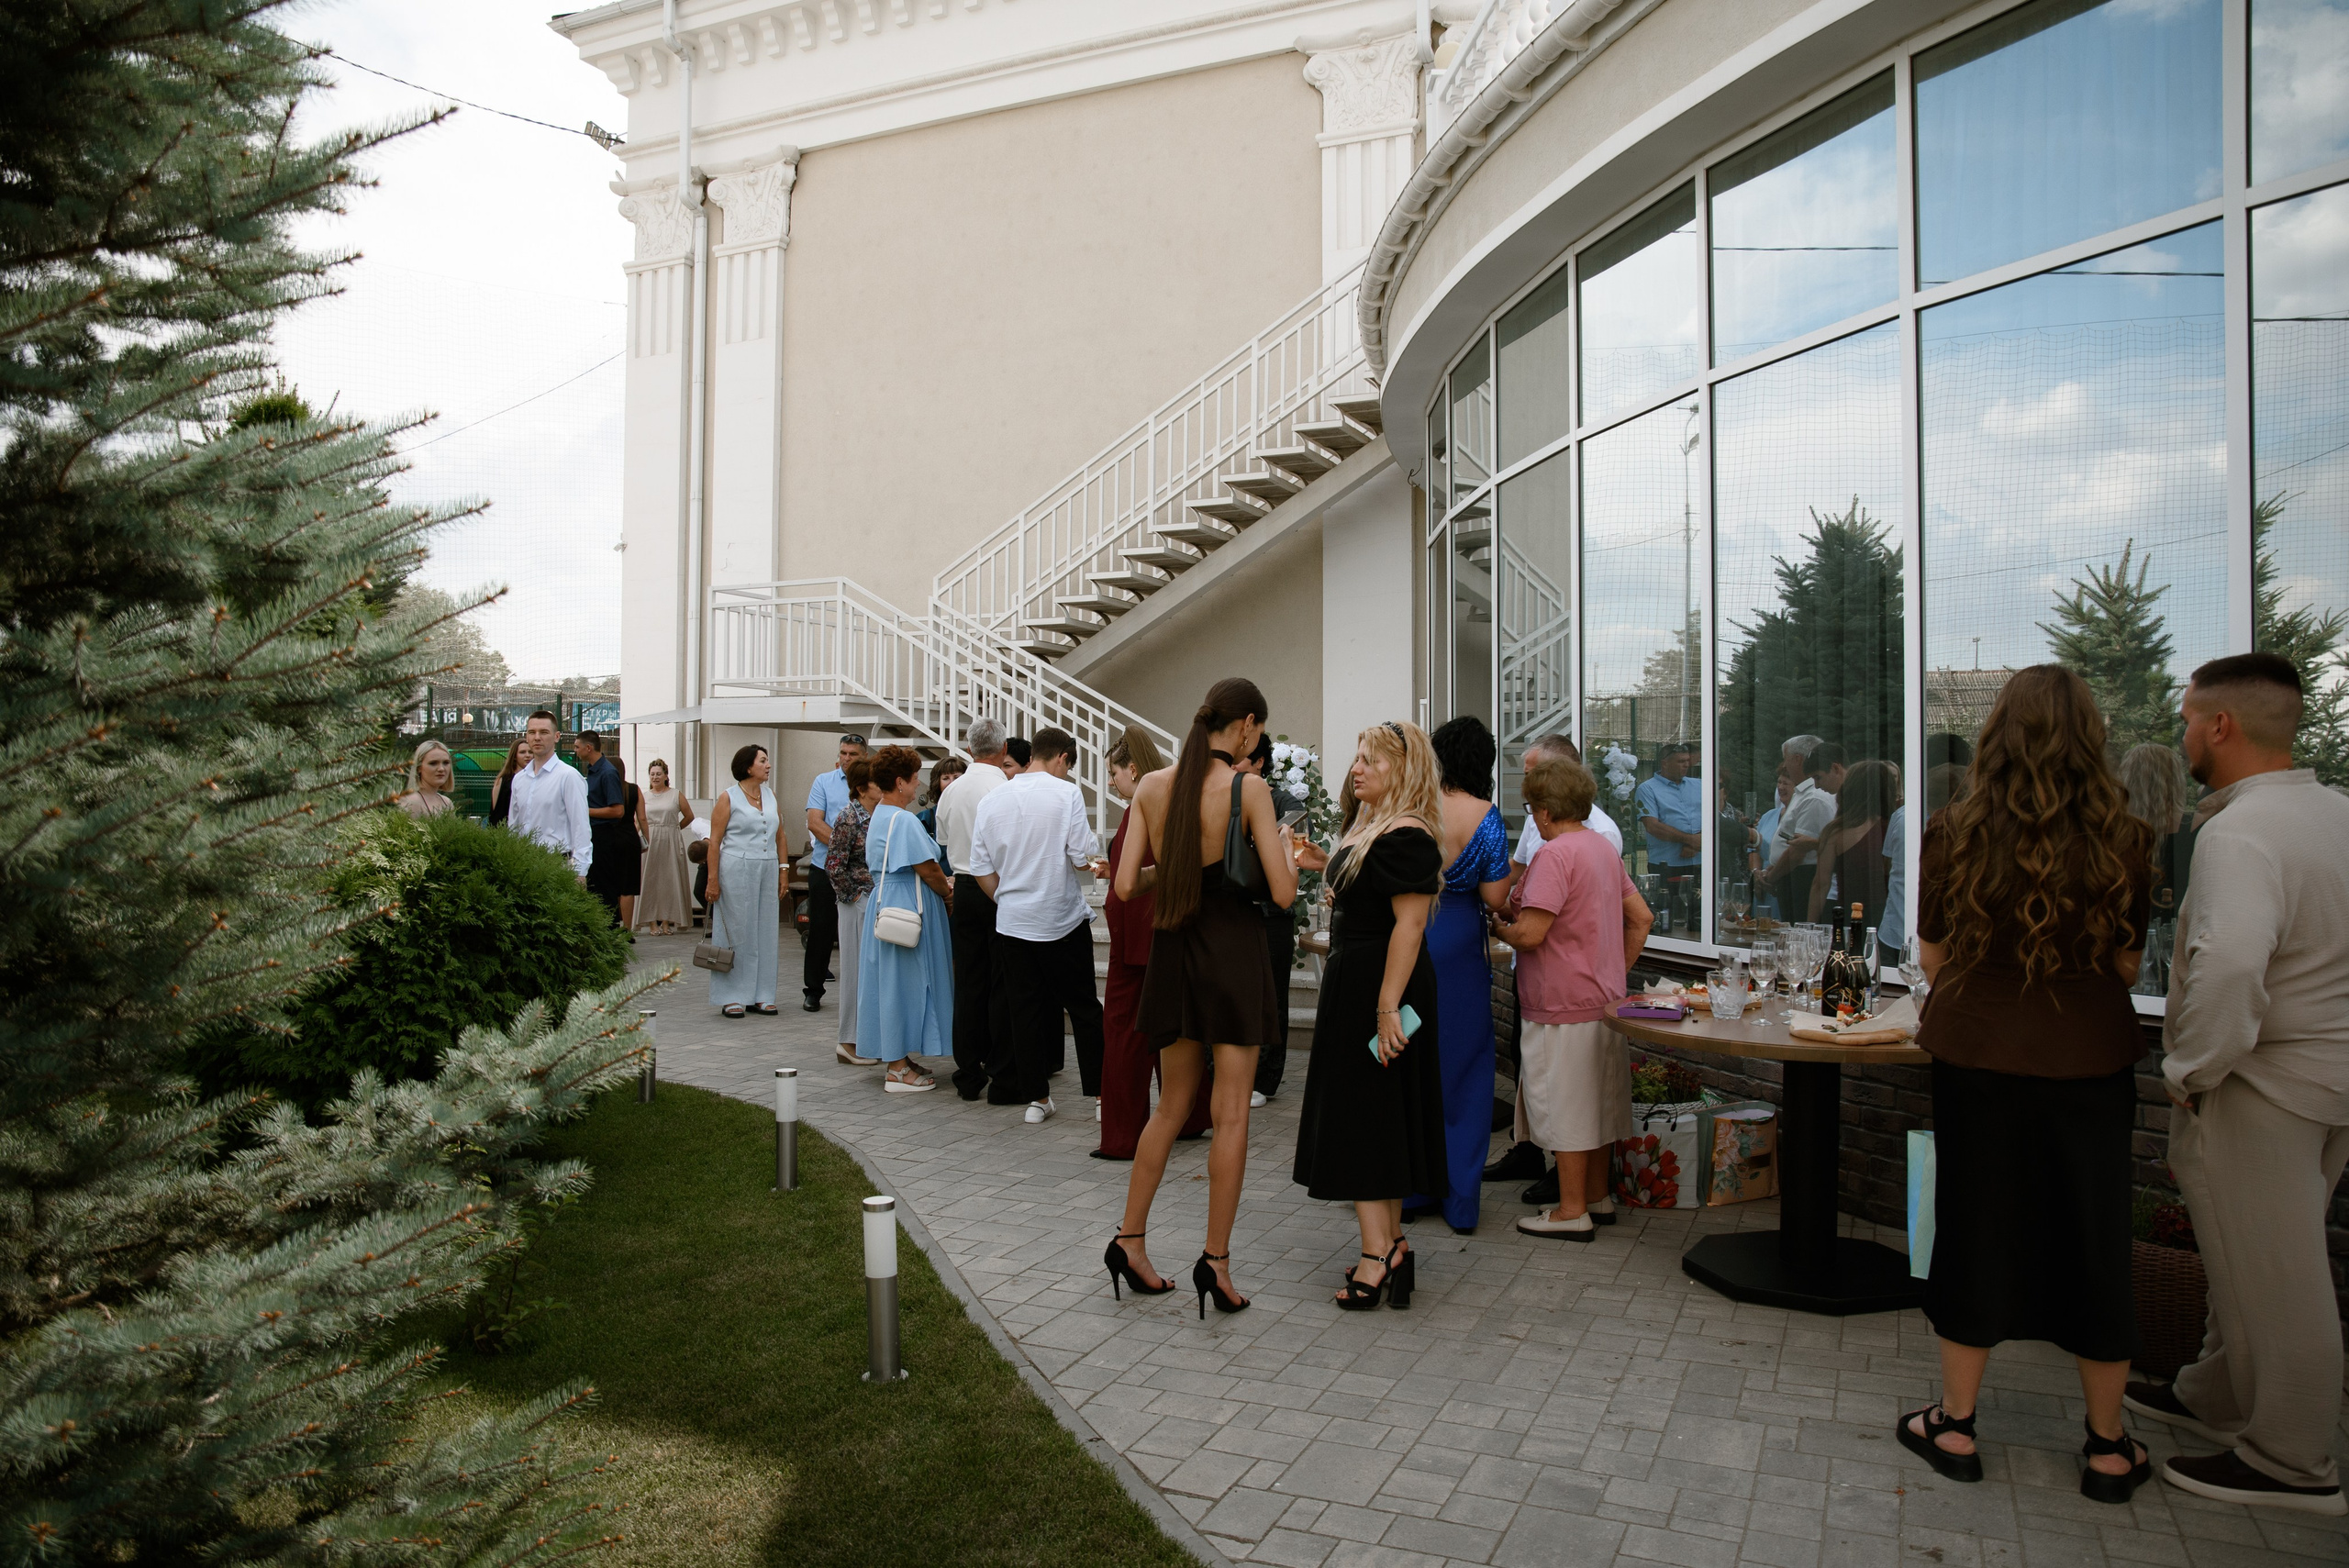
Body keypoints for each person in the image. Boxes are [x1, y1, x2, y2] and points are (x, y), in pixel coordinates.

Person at [1898, 665, 2155, 1506]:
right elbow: (2126, 963)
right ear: (2091, 736)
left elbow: (1933, 956)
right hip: (2091, 1055)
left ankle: (1956, 1425)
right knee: (2096, 1236)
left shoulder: (1955, 829)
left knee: (1976, 1224)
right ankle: (2107, 1447)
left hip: (1979, 1052)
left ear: (1997, 734)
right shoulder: (2127, 836)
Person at [2136, 653, 2349, 1514]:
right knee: (2254, 1257)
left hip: (2262, 1082)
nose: (2183, 731)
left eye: (2189, 716)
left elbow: (2228, 965)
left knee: (2280, 1278)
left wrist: (2191, 1067)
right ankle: (2216, 1395)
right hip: (2330, 1078)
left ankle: (2292, 1459)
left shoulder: (2238, 833)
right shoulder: (2335, 813)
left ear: (2220, 725)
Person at [1108, 679, 1296, 1317]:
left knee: (1170, 1107)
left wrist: (1179, 865)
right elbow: (1283, 893)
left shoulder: (1152, 787)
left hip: (1173, 951)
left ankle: (1129, 1240)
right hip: (1232, 954)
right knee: (1232, 1113)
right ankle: (1215, 1262)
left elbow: (1126, 885)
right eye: (1257, 732)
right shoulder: (1249, 790)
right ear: (1245, 725)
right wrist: (1286, 853)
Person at [1291, 720, 1446, 1310]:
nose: (1357, 768)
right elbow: (1374, 896)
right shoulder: (1377, 824)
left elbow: (1410, 924)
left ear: (1402, 770)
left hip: (1381, 987)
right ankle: (1393, 1244)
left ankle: (1377, 1254)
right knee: (1374, 1115)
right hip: (1359, 981)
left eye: (1371, 760)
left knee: (1365, 1117)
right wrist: (1328, 866)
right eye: (1357, 757)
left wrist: (1386, 1008)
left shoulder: (1407, 833)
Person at [1491, 750, 1651, 1240]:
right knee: (1597, 1106)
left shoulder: (1555, 855)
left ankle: (1570, 1211)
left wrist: (1500, 929)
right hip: (1604, 1002)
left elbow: (1531, 933)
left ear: (1543, 810)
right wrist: (1613, 971)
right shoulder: (1601, 848)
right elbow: (1641, 918)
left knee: (1564, 1109)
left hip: (1559, 1003)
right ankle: (1597, 1198)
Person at [968, 727, 1105, 1122]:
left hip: (1013, 922)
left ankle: (1037, 1099)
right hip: (1061, 918)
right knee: (1084, 1008)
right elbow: (1081, 856)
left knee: (1023, 1010)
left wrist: (1007, 898)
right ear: (1062, 758)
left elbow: (981, 869)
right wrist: (1098, 863)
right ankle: (1102, 1096)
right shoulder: (1066, 793)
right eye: (1069, 766)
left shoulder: (992, 799)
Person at [1411, 717, 1512, 1234]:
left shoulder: (1413, 807)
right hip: (1460, 947)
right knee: (1465, 1068)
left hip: (1412, 936)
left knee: (1412, 1059)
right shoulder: (1485, 815)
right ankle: (1460, 1201)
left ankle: (1411, 1188)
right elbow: (1495, 897)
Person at [1097, 728, 1212, 1159]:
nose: (1112, 783)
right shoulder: (1173, 803)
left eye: (1113, 773)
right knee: (1176, 1029)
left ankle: (1123, 1136)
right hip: (1166, 931)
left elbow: (1135, 883)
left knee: (1124, 1036)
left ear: (1132, 769)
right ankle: (1191, 1116)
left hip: (1137, 938)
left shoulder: (1141, 808)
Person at [861, 745, 956, 1093]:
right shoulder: (902, 819)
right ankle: (898, 1068)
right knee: (907, 982)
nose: (918, 785)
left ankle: (899, 1057)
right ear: (900, 782)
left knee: (892, 982)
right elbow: (928, 868)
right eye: (915, 779)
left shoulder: (881, 815)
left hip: (888, 901)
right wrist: (947, 893)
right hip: (908, 904)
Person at [936, 718, 1018, 1100]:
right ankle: (1002, 1073)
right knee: (1002, 981)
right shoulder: (1005, 788)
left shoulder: (952, 790)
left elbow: (944, 838)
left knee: (968, 983)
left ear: (969, 750)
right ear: (1003, 750)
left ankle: (968, 1074)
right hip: (999, 886)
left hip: (966, 887)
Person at [1233, 734, 1298, 1106]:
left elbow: (1291, 836)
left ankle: (1266, 1079)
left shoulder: (1284, 801)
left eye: (1241, 759)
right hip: (1239, 910)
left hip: (1274, 913)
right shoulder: (1228, 797)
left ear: (1259, 763)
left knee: (1273, 997)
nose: (1233, 765)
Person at [706, 743, 786, 1019]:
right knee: (736, 931)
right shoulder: (728, 797)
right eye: (762, 761)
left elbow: (780, 836)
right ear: (748, 767)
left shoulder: (771, 795)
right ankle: (731, 996)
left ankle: (762, 994)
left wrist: (784, 870)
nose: (768, 765)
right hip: (736, 867)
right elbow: (714, 841)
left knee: (766, 930)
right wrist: (712, 880)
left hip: (768, 866)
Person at [802, 733, 870, 1014]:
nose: (846, 759)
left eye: (853, 754)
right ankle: (813, 991)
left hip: (864, 873)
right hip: (825, 867)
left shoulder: (873, 784)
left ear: (864, 756)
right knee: (821, 931)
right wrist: (846, 847)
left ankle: (865, 994)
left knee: (865, 933)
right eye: (843, 753)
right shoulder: (824, 782)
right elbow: (814, 822)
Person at [829, 760, 880, 1067]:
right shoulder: (849, 818)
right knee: (853, 972)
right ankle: (848, 1041)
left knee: (870, 973)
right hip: (856, 903)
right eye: (876, 781)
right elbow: (834, 865)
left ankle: (868, 1037)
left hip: (876, 900)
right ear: (862, 788)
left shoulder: (879, 814)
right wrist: (856, 896)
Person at [1808, 759, 1898, 924]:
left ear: (1850, 789)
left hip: (1851, 916)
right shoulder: (1895, 827)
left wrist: (1810, 927)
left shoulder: (1836, 832)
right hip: (1889, 917)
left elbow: (1820, 884)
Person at [2119, 742, 2198, 922]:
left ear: (2128, 779)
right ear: (2176, 779)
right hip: (2182, 926)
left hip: (2129, 928)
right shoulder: (2197, 826)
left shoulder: (2115, 831)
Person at [507, 710, 591, 881]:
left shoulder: (568, 776)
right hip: (522, 865)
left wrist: (580, 872)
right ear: (527, 736)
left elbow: (580, 826)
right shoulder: (519, 779)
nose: (537, 737)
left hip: (557, 864)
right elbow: (514, 826)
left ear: (556, 736)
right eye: (532, 732)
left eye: (544, 732)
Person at [1765, 740, 1844, 917]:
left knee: (1801, 929)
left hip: (1805, 879)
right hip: (1794, 877)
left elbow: (1798, 851)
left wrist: (1772, 877)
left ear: (1797, 759)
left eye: (1785, 759)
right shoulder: (1803, 793)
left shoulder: (1815, 796)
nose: (1784, 765)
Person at [1634, 740, 1703, 932]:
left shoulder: (1699, 785)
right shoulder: (1647, 789)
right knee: (1667, 918)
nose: (1686, 765)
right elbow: (1653, 826)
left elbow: (1715, 816)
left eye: (1687, 760)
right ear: (1665, 763)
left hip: (1698, 862)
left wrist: (1696, 842)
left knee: (1698, 918)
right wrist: (1690, 840)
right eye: (1681, 761)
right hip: (1666, 865)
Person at [636, 759, 695, 934]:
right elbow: (637, 820)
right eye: (652, 774)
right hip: (650, 838)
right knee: (650, 879)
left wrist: (675, 828)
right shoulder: (644, 796)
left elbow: (689, 816)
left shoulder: (676, 794)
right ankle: (652, 922)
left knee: (669, 879)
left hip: (670, 839)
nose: (655, 777)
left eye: (658, 774)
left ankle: (667, 921)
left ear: (666, 776)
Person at [575, 732, 629, 927]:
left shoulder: (607, 772)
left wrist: (585, 811)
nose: (575, 751)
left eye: (577, 747)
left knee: (604, 885)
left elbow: (618, 810)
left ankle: (610, 928)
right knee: (594, 884)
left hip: (603, 835)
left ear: (588, 748)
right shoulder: (593, 771)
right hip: (593, 833)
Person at [398, 740, 458, 819]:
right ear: (419, 768)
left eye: (446, 763)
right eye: (433, 763)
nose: (441, 769)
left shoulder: (447, 803)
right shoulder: (410, 802)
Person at [922, 755, 967, 859]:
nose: (952, 783)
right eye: (946, 778)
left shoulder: (974, 812)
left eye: (956, 777)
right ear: (937, 783)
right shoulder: (925, 819)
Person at [487, 737, 527, 828]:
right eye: (522, 752)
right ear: (514, 756)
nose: (527, 755)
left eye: (530, 752)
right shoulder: (503, 780)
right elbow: (495, 811)